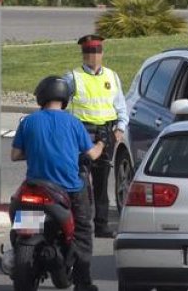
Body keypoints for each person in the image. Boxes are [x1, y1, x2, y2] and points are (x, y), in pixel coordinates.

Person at [12, 76, 104, 291]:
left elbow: (15, 155)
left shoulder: (28, 121)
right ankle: (83, 282)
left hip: (35, 188)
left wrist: (37, 150)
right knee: (82, 231)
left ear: (41, 96)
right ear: (65, 98)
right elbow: (91, 154)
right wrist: (102, 142)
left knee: (21, 224)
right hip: (69, 189)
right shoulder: (73, 122)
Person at [63, 34, 128, 238]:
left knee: (102, 182)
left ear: (102, 53)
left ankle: (101, 225)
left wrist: (120, 129)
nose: (93, 56)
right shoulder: (72, 77)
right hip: (82, 133)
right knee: (80, 179)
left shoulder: (111, 76)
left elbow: (121, 106)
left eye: (97, 51)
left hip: (106, 134)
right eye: (89, 52)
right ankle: (80, 224)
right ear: (83, 54)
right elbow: (60, 105)